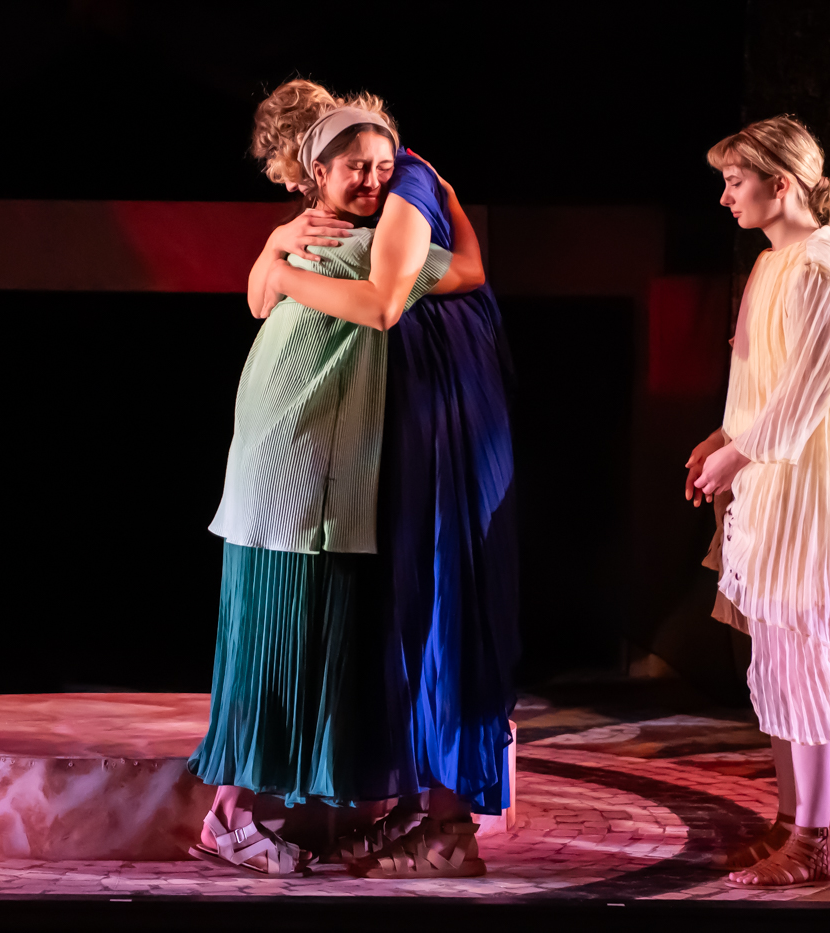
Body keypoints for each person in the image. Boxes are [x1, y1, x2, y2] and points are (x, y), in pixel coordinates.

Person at [187, 84, 479, 876]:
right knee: (279, 650)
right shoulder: (354, 249)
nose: (376, 180)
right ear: (315, 173)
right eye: (357, 166)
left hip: (281, 468)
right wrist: (447, 199)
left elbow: (257, 297)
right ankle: (229, 818)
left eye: (385, 166)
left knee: (274, 644)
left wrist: (275, 255)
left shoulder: (314, 241)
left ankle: (249, 814)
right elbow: (467, 272)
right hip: (303, 474)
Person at [255, 80, 519, 880]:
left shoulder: (406, 179)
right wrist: (277, 246)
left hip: (442, 411)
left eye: (358, 161)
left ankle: (449, 826)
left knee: (442, 595)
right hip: (409, 406)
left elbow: (383, 303)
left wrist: (286, 270)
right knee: (407, 600)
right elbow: (465, 270)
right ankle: (419, 806)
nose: (349, 183)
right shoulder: (367, 194)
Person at [687, 115, 830, 888]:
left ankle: (814, 838)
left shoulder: (822, 269)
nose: (726, 197)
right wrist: (723, 436)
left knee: (808, 656)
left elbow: (802, 399)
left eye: (736, 182)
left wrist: (737, 453)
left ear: (781, 183)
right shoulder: (773, 264)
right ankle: (789, 819)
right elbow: (760, 382)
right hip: (771, 484)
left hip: (809, 492)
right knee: (777, 662)